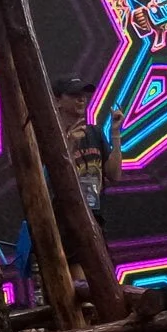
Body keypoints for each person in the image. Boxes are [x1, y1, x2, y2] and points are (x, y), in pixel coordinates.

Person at [54, 75, 120, 225]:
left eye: (83, 95)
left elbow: (114, 175)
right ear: (57, 101)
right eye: (74, 95)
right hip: (64, 220)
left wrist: (115, 134)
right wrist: (69, 144)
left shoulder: (95, 132)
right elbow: (53, 178)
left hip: (95, 216)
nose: (81, 99)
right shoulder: (50, 137)